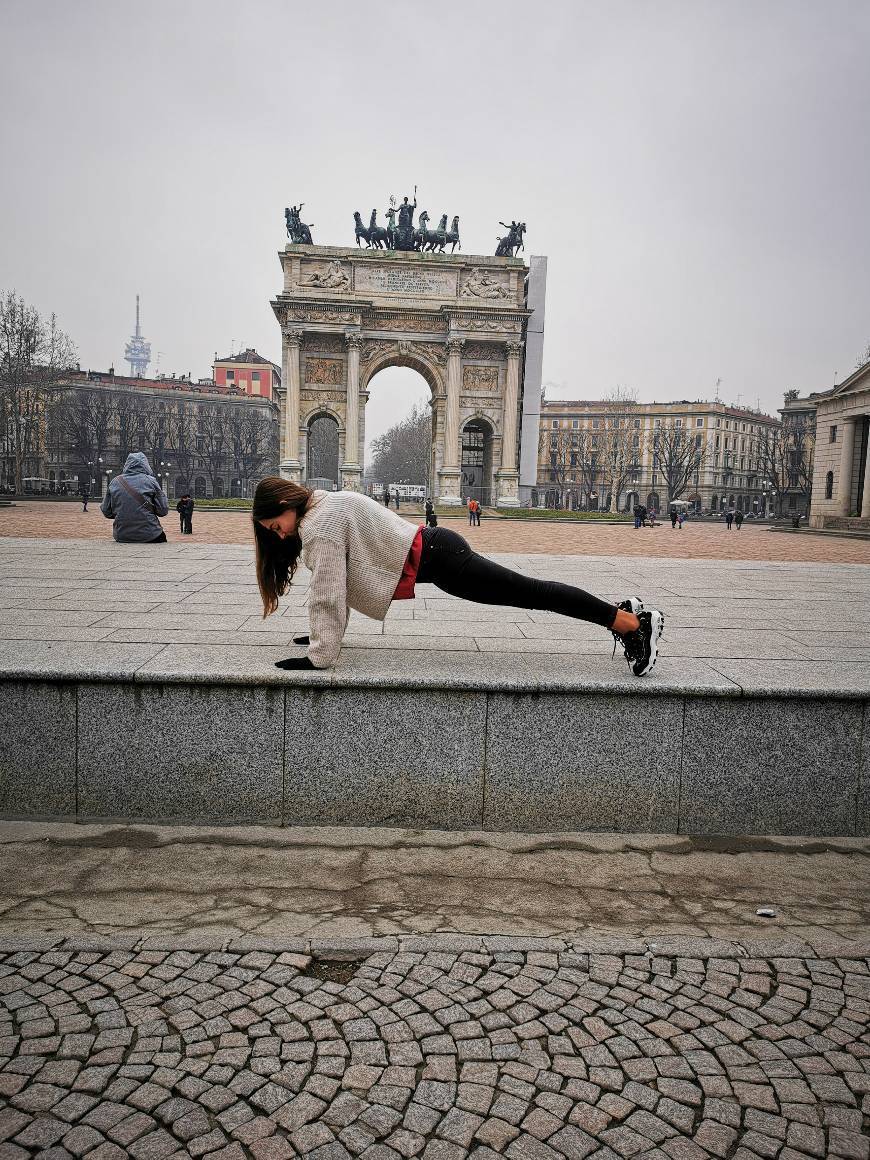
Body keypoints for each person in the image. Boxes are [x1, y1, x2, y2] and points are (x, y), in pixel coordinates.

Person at [252, 480, 665, 677]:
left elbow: (326, 593)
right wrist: (324, 636)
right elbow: (336, 586)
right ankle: (624, 615)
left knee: (532, 593)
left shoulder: (319, 526)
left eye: (275, 526)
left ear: (288, 503)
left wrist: (320, 655)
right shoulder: (326, 503)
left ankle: (631, 624)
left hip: (443, 558)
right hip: (439, 551)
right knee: (530, 593)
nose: (279, 534)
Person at [100, 452, 169, 543]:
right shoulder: (151, 481)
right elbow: (163, 510)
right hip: (150, 534)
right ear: (146, 465)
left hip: (122, 535)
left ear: (127, 464)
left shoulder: (115, 481)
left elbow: (106, 511)